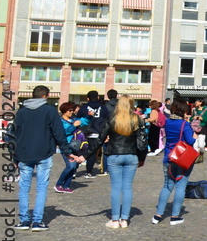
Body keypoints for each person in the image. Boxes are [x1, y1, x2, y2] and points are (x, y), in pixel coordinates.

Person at [11, 86, 85, 230]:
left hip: (24, 153)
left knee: (24, 187)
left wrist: (15, 158)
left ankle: (24, 220)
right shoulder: (50, 111)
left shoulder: (21, 112)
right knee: (41, 187)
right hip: (44, 152)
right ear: (45, 96)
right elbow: (58, 133)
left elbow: (15, 135)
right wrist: (67, 151)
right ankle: (37, 221)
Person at [92, 95, 145, 228]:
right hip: (131, 155)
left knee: (116, 187)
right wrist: (142, 158)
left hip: (114, 154)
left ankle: (115, 220)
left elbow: (100, 138)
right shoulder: (137, 119)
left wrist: (86, 155)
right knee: (127, 188)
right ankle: (125, 219)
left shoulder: (112, 118)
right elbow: (142, 142)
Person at [153, 100, 196, 226]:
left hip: (169, 157)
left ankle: (158, 215)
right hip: (182, 157)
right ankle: (175, 216)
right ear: (183, 112)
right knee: (181, 186)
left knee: (167, 185)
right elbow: (189, 140)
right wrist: (195, 138)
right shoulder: (184, 124)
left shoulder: (167, 122)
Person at [55, 102, 85, 193]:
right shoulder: (60, 121)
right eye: (70, 110)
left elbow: (84, 121)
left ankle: (67, 185)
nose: (72, 112)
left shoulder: (74, 119)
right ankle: (59, 184)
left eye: (72, 110)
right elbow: (64, 132)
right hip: (66, 146)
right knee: (70, 166)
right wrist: (73, 126)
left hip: (76, 145)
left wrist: (89, 116)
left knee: (74, 167)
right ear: (64, 111)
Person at [78, 90, 108, 177]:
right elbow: (107, 120)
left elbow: (78, 119)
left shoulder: (83, 108)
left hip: (85, 132)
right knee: (93, 152)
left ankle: (74, 170)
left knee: (81, 151)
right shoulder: (103, 108)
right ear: (98, 97)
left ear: (87, 98)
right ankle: (89, 171)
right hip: (99, 132)